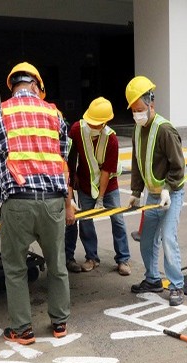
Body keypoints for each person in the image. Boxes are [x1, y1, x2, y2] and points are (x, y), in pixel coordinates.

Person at [0, 62, 71, 345]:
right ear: (35, 85)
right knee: (57, 265)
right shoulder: (55, 114)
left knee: (16, 269)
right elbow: (63, 163)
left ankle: (23, 330)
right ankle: (59, 323)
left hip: (17, 204)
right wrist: (69, 203)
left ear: (13, 86)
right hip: (53, 203)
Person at [125, 76, 187, 306]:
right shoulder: (137, 130)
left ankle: (176, 285)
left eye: (140, 109)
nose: (137, 114)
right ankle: (152, 279)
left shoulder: (165, 130)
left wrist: (167, 189)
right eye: (133, 110)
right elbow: (137, 162)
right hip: (153, 194)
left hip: (172, 192)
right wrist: (135, 191)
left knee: (168, 238)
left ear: (151, 103)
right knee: (147, 239)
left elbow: (178, 167)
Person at [64, 97, 131, 276]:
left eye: (96, 124)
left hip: (108, 186)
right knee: (85, 221)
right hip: (85, 184)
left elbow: (106, 172)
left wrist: (101, 197)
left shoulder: (112, 139)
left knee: (117, 220)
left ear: (104, 123)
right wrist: (74, 177)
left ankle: (123, 259)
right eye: (90, 122)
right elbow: (69, 160)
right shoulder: (77, 130)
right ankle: (92, 257)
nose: (92, 126)